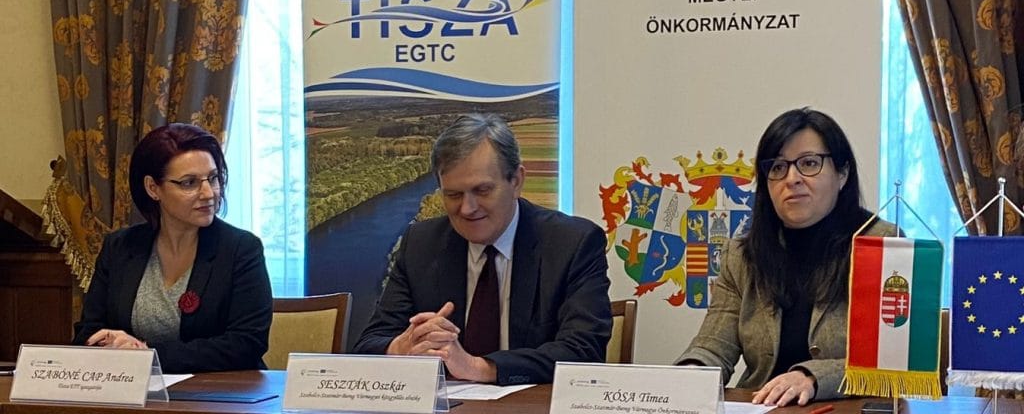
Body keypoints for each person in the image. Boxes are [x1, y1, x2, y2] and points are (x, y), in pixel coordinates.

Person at [353, 113, 611, 385]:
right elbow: (369, 344)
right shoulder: (421, 243)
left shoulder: (572, 244)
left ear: (516, 181)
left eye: (482, 190)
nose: (467, 208)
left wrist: (479, 367)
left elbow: (584, 352)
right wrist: (402, 347)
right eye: (453, 195)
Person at [675, 108, 895, 406]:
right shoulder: (741, 256)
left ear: (842, 173)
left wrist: (813, 378)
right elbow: (714, 345)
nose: (792, 178)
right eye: (778, 167)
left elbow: (891, 363)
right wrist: (691, 374)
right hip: (762, 406)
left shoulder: (882, 245)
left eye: (809, 163)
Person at [73, 123, 272, 373]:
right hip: (131, 387)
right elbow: (88, 333)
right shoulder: (119, 247)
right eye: (189, 183)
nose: (209, 193)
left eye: (213, 178)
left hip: (219, 390)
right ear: (153, 188)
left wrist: (147, 354)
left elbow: (246, 345)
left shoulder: (241, 249)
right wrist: (110, 344)